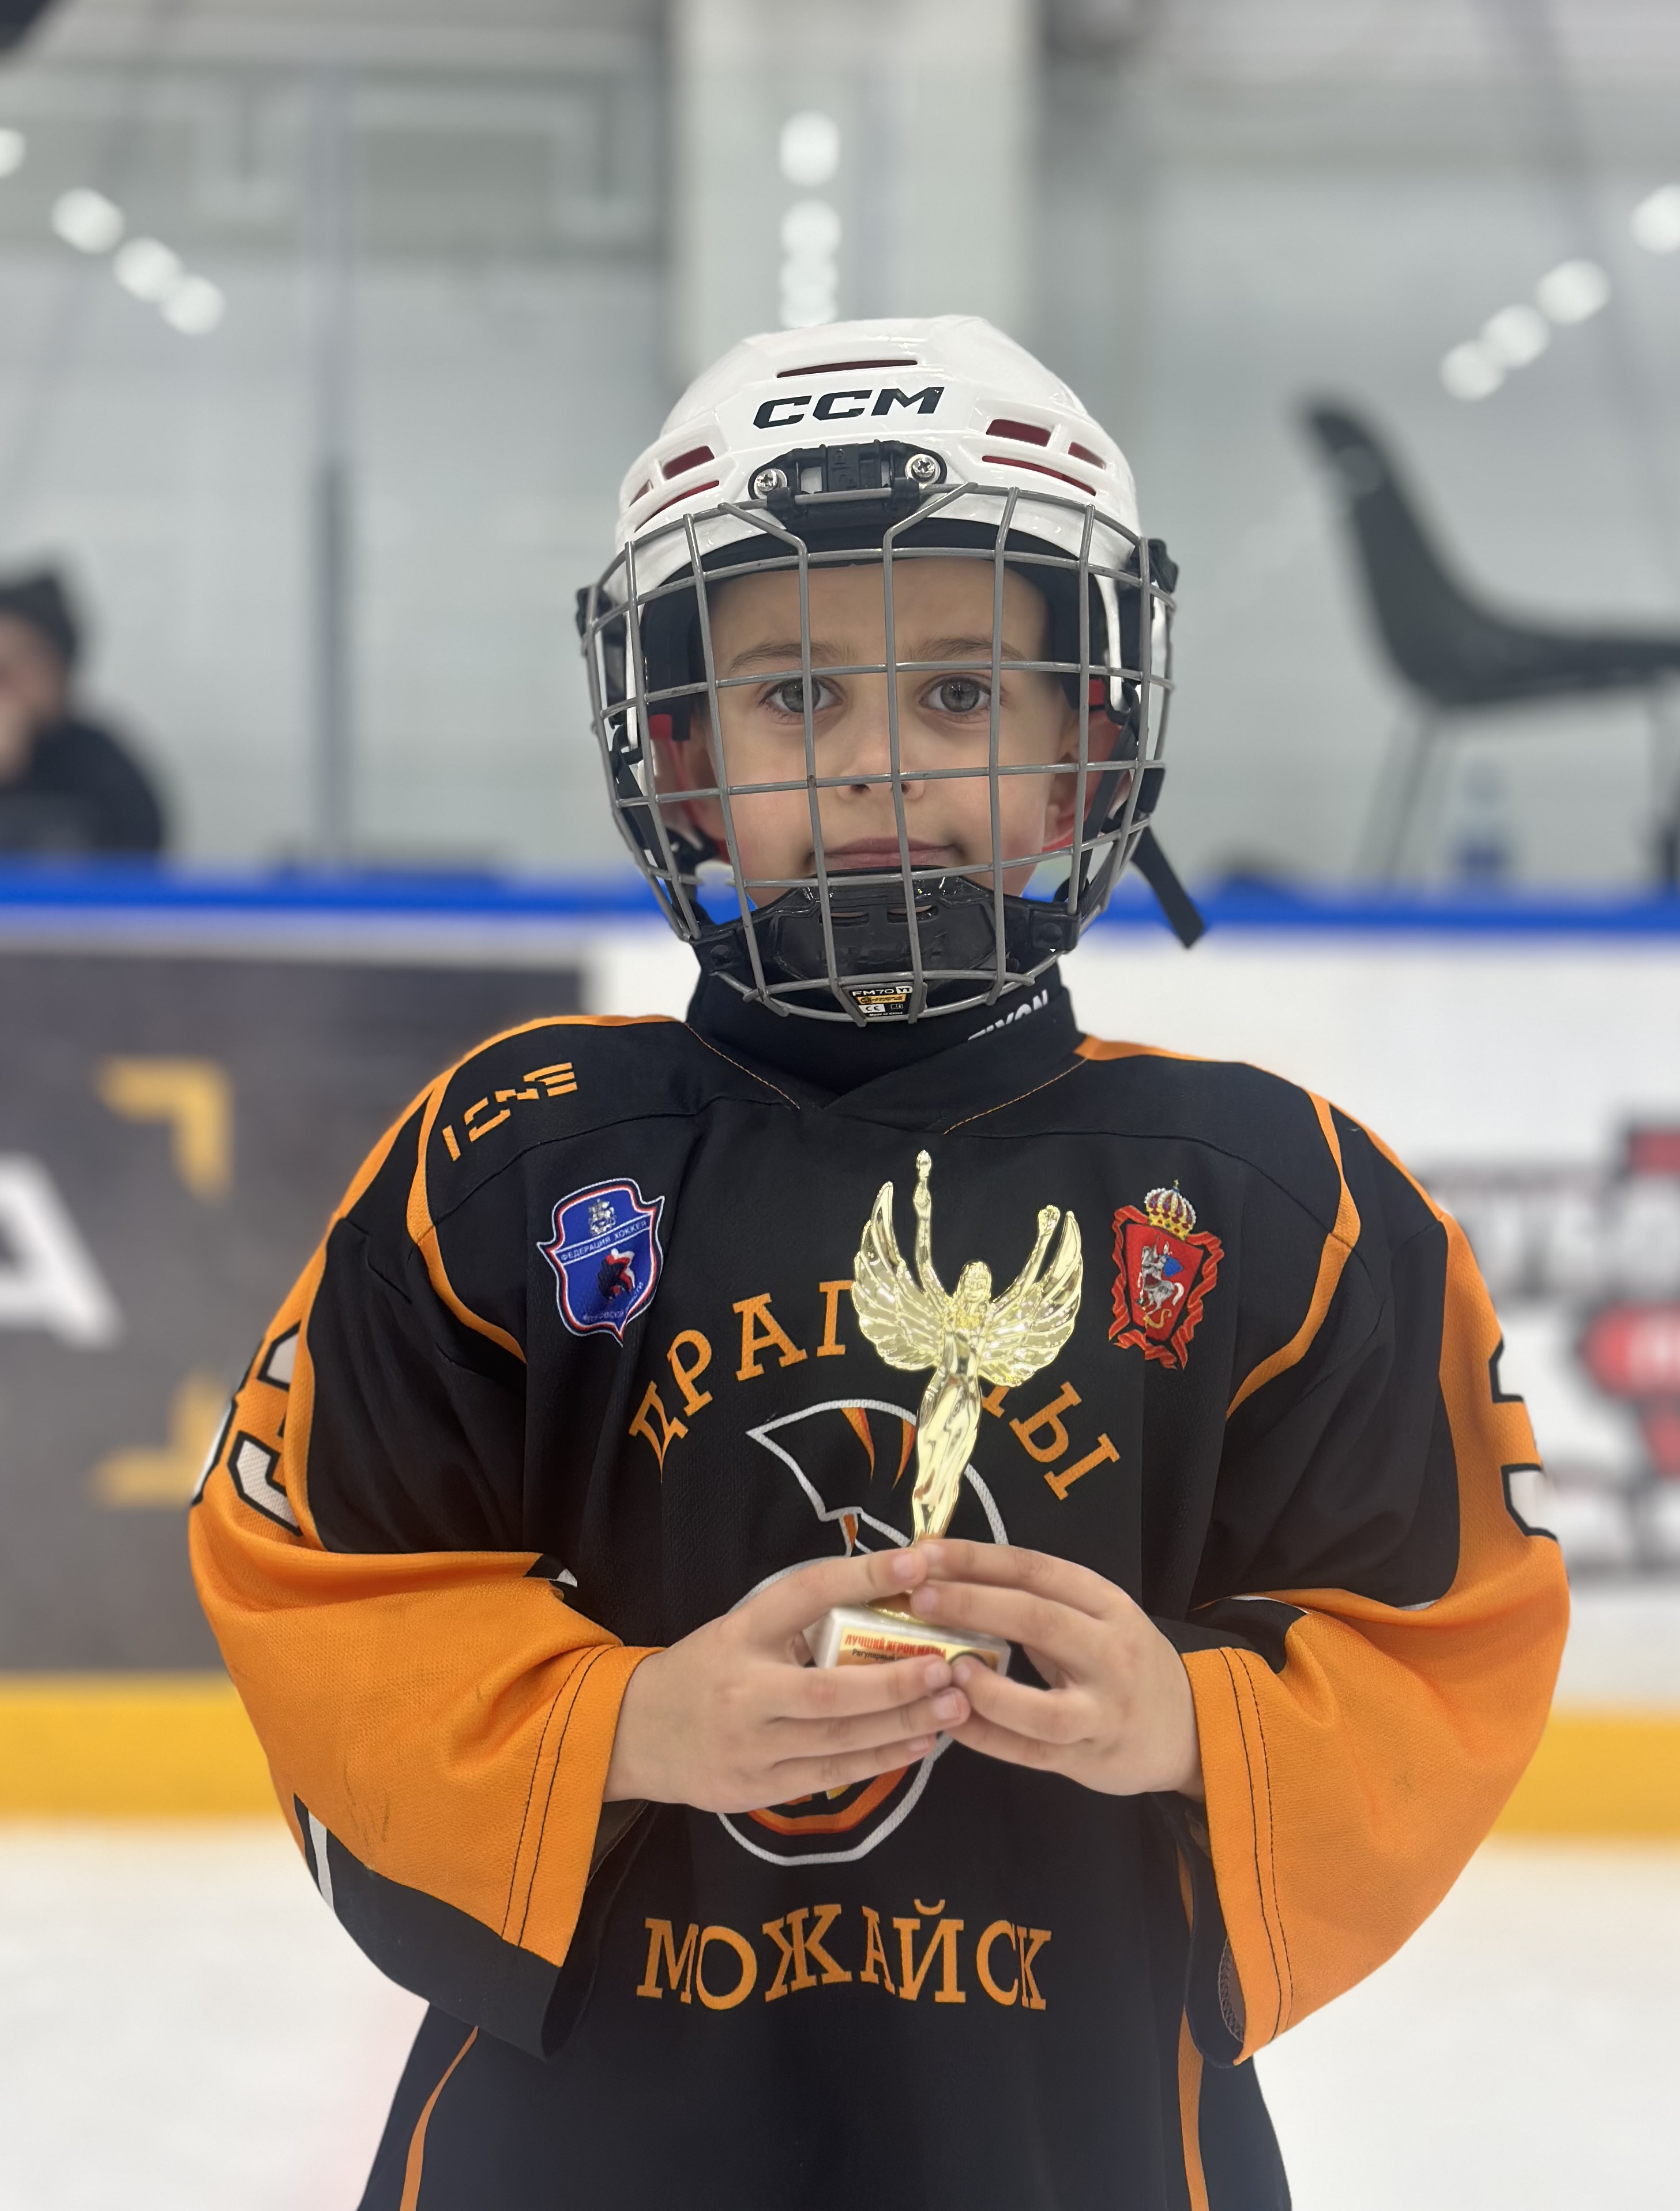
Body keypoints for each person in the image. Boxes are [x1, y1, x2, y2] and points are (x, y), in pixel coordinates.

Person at [190, 317, 1566, 2210]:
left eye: (960, 691)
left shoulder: (1274, 1198)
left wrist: (1203, 1720)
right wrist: (619, 1724)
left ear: (1085, 743)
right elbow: (318, 1577)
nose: (874, 767)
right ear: (683, 758)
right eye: (793, 697)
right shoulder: (512, 1158)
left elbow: (1446, 1624)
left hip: (1072, 2142)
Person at [0, 568, 167, 853]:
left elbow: (142, 851)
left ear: (61, 674)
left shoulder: (102, 764)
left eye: (23, 659)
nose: (7, 678)